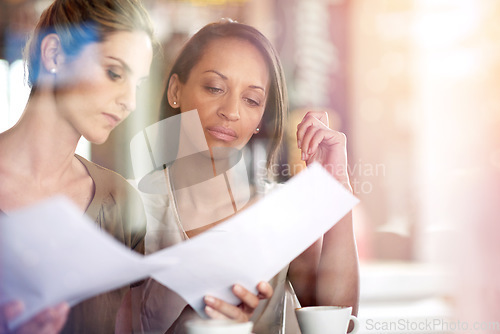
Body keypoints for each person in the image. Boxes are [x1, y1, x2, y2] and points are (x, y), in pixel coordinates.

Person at [138, 20, 359, 333]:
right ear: (175, 90)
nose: (231, 111)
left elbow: (337, 327)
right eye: (214, 88)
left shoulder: (281, 212)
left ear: (260, 117)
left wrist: (336, 191)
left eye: (252, 99)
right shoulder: (133, 209)